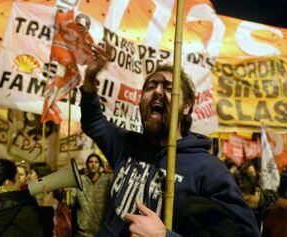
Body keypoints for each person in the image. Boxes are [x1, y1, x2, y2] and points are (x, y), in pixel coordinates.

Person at [80, 46, 259, 236]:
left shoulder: (210, 170)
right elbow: (93, 122)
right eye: (150, 86)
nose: (157, 92)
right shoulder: (127, 145)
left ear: (187, 107)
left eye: (168, 88)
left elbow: (248, 233)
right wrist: (90, 79)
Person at [70, 154, 112, 237]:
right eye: (90, 162)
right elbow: (71, 202)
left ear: (100, 165)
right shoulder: (80, 180)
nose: (93, 164)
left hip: (101, 231)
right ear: (87, 165)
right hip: (82, 232)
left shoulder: (107, 180)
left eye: (96, 162)